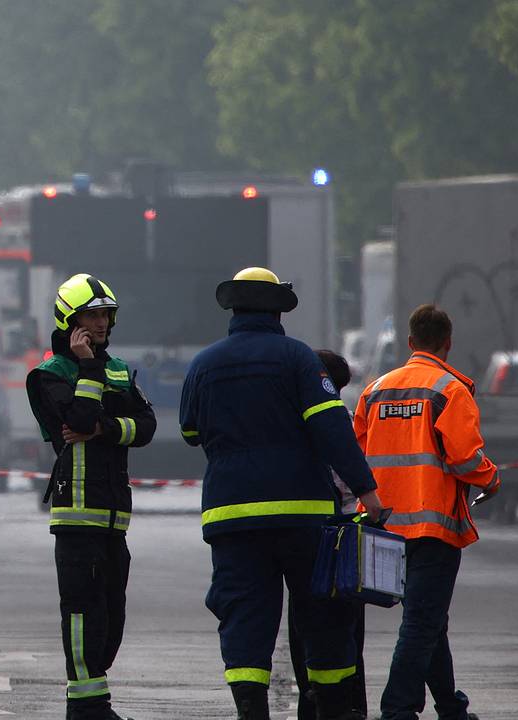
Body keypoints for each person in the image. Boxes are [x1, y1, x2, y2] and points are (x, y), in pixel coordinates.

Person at [179, 267, 384, 720]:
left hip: (231, 517)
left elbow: (190, 431)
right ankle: (330, 708)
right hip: (303, 516)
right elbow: (331, 428)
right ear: (277, 310)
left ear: (234, 308)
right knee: (324, 615)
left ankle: (251, 710)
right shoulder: (298, 360)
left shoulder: (203, 365)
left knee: (245, 619)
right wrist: (367, 490)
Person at [353, 304, 501, 720]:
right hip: (432, 528)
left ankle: (450, 707)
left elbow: (356, 451)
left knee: (430, 620)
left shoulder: (376, 390)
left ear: (410, 342)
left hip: (384, 527)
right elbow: (465, 459)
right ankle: (397, 709)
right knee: (422, 621)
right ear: (448, 343)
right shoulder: (450, 390)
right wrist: (491, 481)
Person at [25, 273, 156, 720]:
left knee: (112, 617)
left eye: (106, 314)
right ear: (70, 320)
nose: (101, 323)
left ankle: (92, 699)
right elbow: (77, 416)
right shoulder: (48, 375)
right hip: (77, 513)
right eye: (92, 315)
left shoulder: (116, 367)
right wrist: (89, 372)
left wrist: (105, 427)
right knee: (83, 611)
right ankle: (87, 708)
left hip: (115, 516)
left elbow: (146, 427)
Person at [288, 349, 368, 719]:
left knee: (303, 619)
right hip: (348, 529)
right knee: (346, 622)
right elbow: (355, 475)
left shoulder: (295, 421)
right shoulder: (344, 420)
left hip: (309, 528)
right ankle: (348, 703)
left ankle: (310, 701)